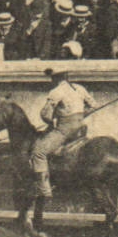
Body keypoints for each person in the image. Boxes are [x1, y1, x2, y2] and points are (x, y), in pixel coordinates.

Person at [30, 67, 94, 199]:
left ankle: (44, 190)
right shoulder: (79, 88)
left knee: (39, 151)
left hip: (65, 129)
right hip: (81, 127)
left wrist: (52, 121)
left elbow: (45, 114)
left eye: (52, 78)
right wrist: (81, 114)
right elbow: (93, 105)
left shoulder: (56, 92)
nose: (51, 81)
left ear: (56, 78)